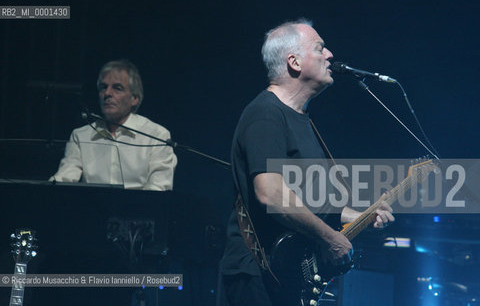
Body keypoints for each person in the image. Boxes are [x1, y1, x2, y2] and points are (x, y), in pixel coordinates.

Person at [217, 19, 395, 305]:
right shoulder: (266, 114)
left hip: (285, 276)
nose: (330, 55)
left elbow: (309, 202)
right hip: (258, 277)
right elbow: (270, 193)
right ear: (294, 62)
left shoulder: (302, 121)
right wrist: (330, 238)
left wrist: (360, 216)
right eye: (319, 48)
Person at [50, 59, 177, 190]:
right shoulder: (81, 136)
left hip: (138, 209)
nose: (107, 93)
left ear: (134, 98)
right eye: (103, 87)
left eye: (117, 88)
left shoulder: (157, 136)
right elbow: (63, 180)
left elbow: (158, 189)